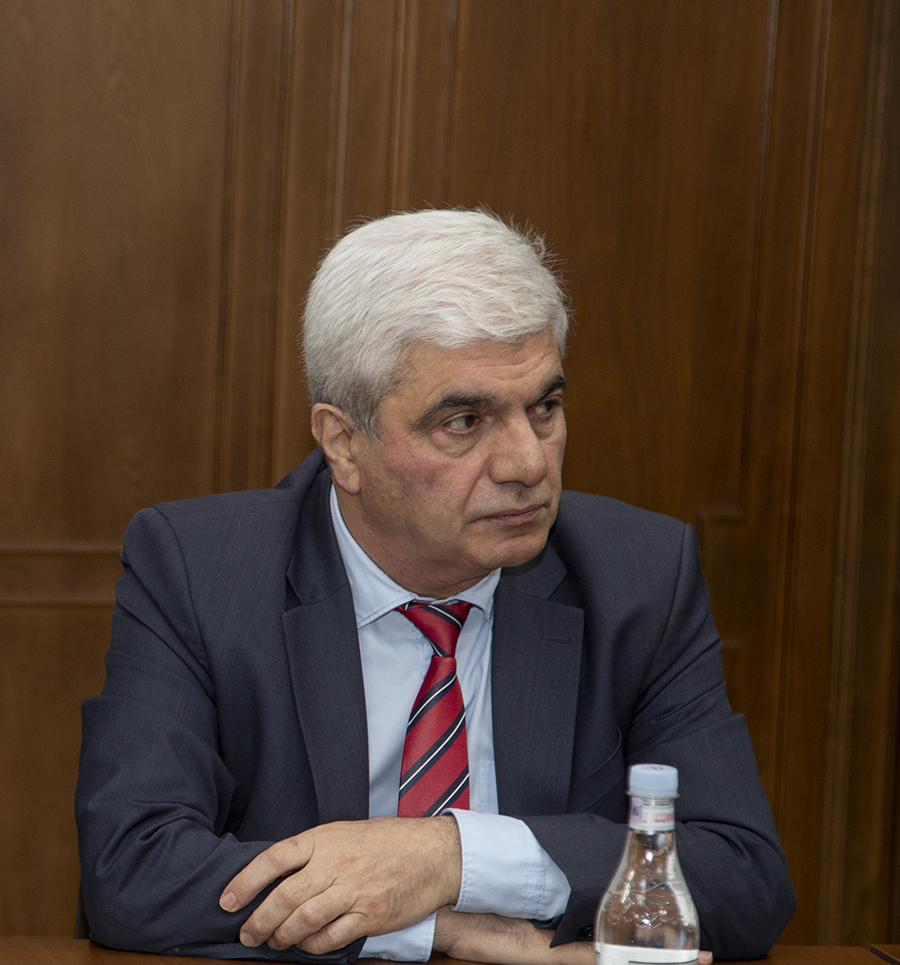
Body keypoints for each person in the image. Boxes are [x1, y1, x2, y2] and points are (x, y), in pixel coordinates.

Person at [76, 209, 795, 965]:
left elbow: (742, 877)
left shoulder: (638, 575)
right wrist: (433, 927)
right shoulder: (201, 570)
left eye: (545, 408)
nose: (527, 463)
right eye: (464, 421)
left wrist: (451, 857)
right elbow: (132, 869)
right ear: (342, 443)